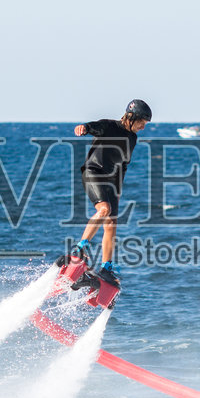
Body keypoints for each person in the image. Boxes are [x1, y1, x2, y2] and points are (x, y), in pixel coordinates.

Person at [64, 98, 151, 281]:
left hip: (112, 182)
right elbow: (91, 126)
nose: (143, 127)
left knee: (111, 223)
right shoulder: (109, 126)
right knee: (104, 210)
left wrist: (117, 191)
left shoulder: (132, 138)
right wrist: (83, 128)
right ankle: (80, 249)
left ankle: (106, 267)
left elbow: (123, 166)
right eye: (142, 122)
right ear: (132, 117)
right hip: (93, 172)